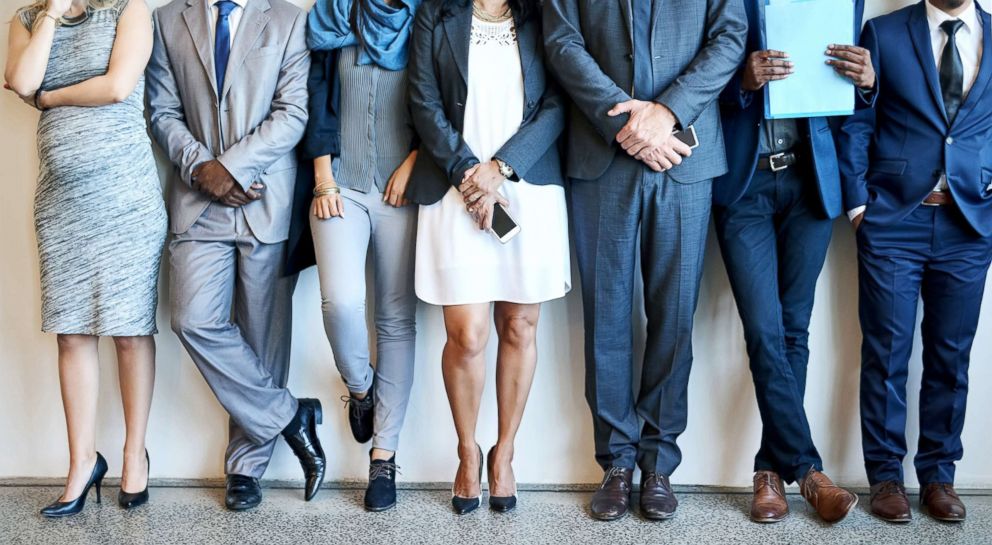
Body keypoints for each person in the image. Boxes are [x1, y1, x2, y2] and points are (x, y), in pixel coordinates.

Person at [544, 0, 747, 521]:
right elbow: (563, 41)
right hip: (601, 152)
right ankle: (616, 461)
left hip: (685, 154)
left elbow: (728, 39)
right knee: (606, 317)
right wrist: (627, 121)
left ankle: (658, 463)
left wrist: (667, 113)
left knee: (675, 315)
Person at [146, 0, 325, 511]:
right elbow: (162, 111)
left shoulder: (290, 19)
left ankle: (247, 465)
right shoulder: (165, 19)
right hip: (197, 202)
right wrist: (204, 168)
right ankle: (291, 416)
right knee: (192, 319)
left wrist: (235, 168)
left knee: (263, 337)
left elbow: (293, 112)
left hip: (264, 196)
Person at [4, 0, 167, 518]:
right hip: (61, 203)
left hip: (128, 203)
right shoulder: (25, 20)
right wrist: (51, 10)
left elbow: (117, 86)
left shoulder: (129, 9)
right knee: (72, 333)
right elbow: (21, 81)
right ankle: (81, 464)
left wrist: (52, 96)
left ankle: (133, 454)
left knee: (129, 331)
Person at [407, 0, 569, 515]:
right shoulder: (435, 13)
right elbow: (423, 101)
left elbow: (559, 102)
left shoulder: (545, 12)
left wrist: (500, 168)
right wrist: (469, 177)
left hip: (528, 183)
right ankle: (467, 450)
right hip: (457, 189)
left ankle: (505, 452)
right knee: (467, 334)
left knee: (519, 326)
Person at [714, 0, 873, 524]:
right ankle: (808, 469)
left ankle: (767, 472)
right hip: (744, 183)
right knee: (763, 329)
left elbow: (850, 102)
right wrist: (743, 81)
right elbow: (693, 78)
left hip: (811, 183)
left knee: (793, 332)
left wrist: (867, 83)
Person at [839, 0, 992, 524]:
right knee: (886, 351)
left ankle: (939, 477)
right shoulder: (882, 32)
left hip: (969, 225)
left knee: (952, 356)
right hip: (894, 221)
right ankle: (885, 476)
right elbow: (858, 119)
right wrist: (859, 204)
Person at [298, 0, 422, 512]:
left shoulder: (430, 20)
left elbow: (443, 102)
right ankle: (362, 389)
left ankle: (383, 458)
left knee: (396, 319)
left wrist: (417, 163)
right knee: (342, 304)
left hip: (406, 189)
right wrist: (322, 176)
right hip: (340, 187)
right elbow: (314, 95)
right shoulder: (334, 14)